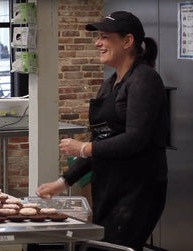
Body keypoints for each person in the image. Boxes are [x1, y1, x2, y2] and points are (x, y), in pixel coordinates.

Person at [36, 11, 168, 251]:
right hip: (109, 187)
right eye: (98, 37)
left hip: (138, 190)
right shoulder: (110, 83)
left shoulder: (144, 80)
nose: (98, 43)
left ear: (127, 42)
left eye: (105, 37)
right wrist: (64, 181)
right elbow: (102, 140)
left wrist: (84, 148)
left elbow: (135, 139)